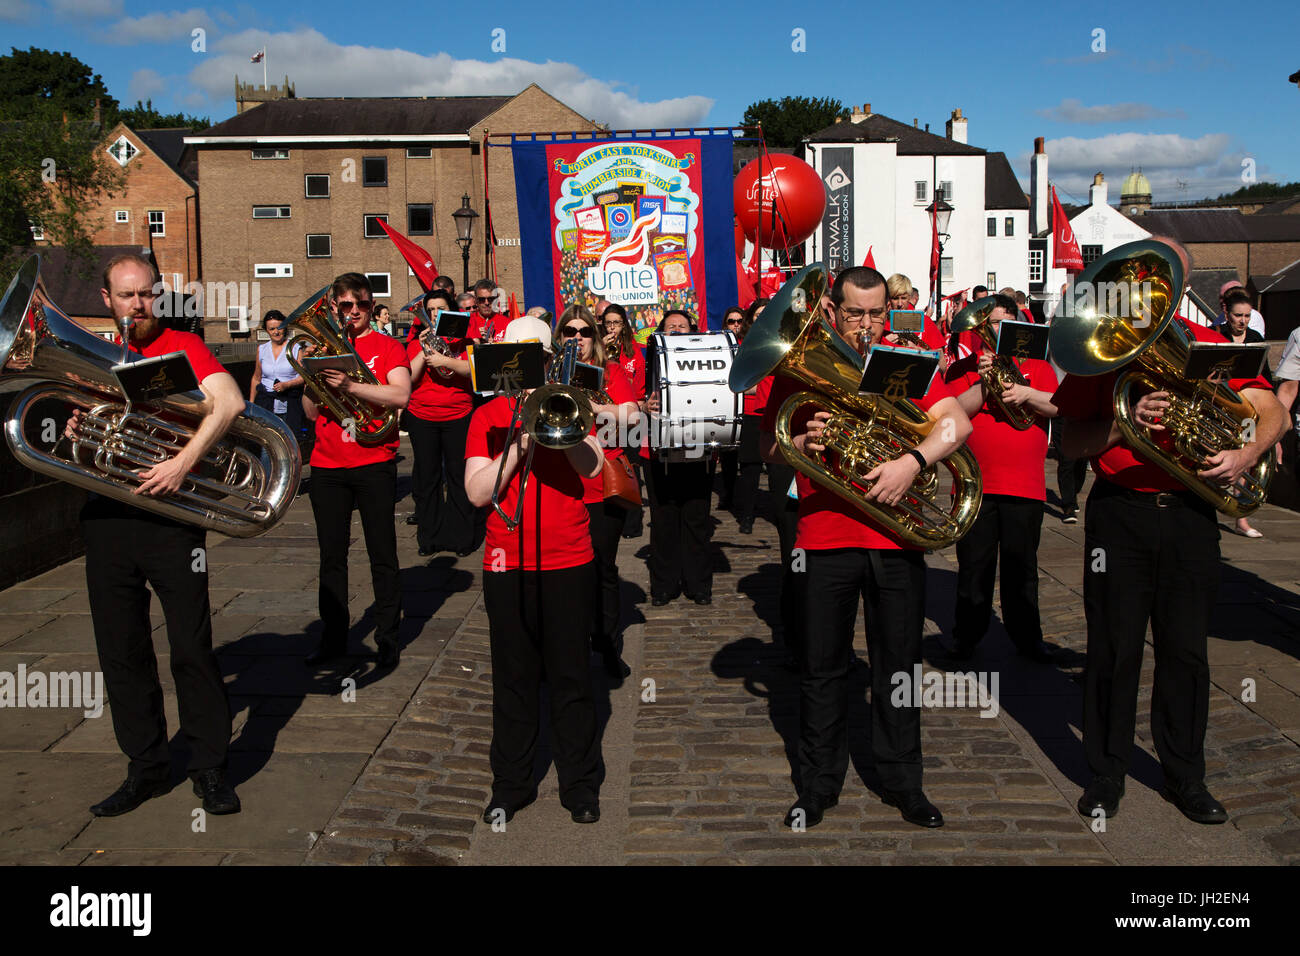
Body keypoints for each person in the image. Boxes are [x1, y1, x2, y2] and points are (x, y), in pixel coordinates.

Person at [1054, 237, 1288, 825]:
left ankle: (1186, 776)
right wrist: (1122, 424)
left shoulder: (1208, 345)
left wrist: (1247, 452)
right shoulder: (1097, 357)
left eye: (1159, 283)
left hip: (1189, 515)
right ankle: (1105, 773)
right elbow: (1066, 443)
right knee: (1113, 648)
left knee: (1186, 652)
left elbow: (1273, 411)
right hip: (1121, 513)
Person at [762, 266, 973, 830]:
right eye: (854, 313)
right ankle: (817, 785)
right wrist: (801, 441)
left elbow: (956, 426)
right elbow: (767, 446)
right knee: (821, 669)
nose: (865, 324)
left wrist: (912, 462)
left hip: (895, 536)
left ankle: (905, 783)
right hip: (824, 539)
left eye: (876, 313)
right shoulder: (796, 364)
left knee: (897, 668)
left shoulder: (903, 362)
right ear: (831, 311)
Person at [71, 252, 245, 816]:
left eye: (146, 294)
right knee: (121, 651)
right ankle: (145, 768)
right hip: (109, 517)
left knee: (192, 649)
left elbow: (231, 403)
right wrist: (75, 423)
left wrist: (184, 463)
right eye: (127, 295)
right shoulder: (89, 354)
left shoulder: (182, 346)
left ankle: (211, 769)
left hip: (171, 517)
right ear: (107, 300)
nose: (138, 305)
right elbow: (73, 422)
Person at [465, 315, 606, 824]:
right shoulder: (487, 417)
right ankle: (512, 783)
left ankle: (580, 783)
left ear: (548, 361)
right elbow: (477, 493)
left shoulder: (574, 407)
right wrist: (522, 440)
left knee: (572, 675)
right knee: (514, 676)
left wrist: (555, 425)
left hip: (568, 558)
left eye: (534, 356)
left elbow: (593, 469)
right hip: (506, 561)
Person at [302, 273, 411, 668]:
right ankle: (333, 639)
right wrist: (314, 383)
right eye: (345, 305)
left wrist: (351, 387)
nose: (353, 312)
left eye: (361, 304)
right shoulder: (319, 349)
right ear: (333, 307)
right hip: (329, 464)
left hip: (375, 461)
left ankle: (387, 637)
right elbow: (310, 413)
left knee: (382, 553)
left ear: (370, 304)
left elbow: (400, 394)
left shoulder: (387, 346)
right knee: (331, 557)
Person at [945, 295, 1060, 662]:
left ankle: (1028, 639)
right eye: (989, 324)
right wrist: (983, 381)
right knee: (974, 567)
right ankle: (966, 638)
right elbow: (952, 414)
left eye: (1002, 323)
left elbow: (1058, 405)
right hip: (976, 485)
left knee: (1021, 569)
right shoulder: (962, 368)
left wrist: (1025, 391)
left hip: (1025, 485)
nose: (995, 330)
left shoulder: (1038, 365)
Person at [556, 305, 639, 677]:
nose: (577, 338)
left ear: (595, 336)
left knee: (602, 568)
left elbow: (633, 417)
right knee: (564, 573)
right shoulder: (550, 374)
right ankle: (568, 647)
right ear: (560, 338)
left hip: (603, 483)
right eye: (569, 332)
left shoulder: (613, 372)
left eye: (584, 332)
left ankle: (606, 645)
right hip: (561, 484)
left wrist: (591, 403)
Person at [644, 309, 715, 605]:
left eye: (682, 326)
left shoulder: (709, 359)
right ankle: (664, 585)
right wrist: (644, 404)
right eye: (670, 326)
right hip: (659, 448)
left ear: (692, 332)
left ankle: (698, 585)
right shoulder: (650, 360)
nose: (675, 330)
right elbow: (632, 398)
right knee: (663, 518)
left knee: (697, 519)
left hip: (698, 446)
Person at [404, 289, 478, 557]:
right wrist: (424, 352)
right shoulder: (416, 342)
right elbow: (408, 378)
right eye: (431, 309)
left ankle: (461, 538)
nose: (434, 314)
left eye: (440, 309)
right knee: (427, 479)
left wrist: (445, 359)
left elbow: (473, 371)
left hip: (458, 415)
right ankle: (430, 537)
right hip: (422, 416)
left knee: (459, 478)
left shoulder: (464, 340)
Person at [1219, 289, 1270, 538]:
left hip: (1247, 410)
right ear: (1226, 313)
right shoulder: (1216, 335)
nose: (1243, 321)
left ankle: (1241, 519)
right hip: (1220, 407)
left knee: (1246, 458)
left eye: (1247, 316)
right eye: (1238, 315)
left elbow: (1266, 376)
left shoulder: (1255, 337)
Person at [601, 303, 647, 539]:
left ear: (624, 325)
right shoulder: (598, 351)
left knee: (630, 468)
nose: (612, 328)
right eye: (608, 323)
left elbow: (639, 391)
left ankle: (632, 523)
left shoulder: (633, 352)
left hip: (629, 417)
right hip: (604, 419)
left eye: (616, 323)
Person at [249, 309, 306, 443]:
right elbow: (256, 378)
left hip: (290, 404)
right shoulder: (262, 350)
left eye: (279, 327)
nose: (276, 332)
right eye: (272, 329)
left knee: (288, 444)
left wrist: (287, 385)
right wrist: (251, 405)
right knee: (267, 445)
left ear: (285, 327)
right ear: (266, 330)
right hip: (266, 404)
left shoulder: (295, 348)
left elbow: (304, 377)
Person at [716, 306, 748, 513]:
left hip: (747, 406)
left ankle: (744, 499)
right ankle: (727, 494)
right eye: (731, 321)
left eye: (738, 321)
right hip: (727, 405)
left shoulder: (748, 344)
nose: (735, 324)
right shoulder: (720, 345)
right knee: (728, 456)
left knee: (745, 458)